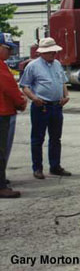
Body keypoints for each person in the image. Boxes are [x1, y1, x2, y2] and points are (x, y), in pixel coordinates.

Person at [19, 37, 71, 179]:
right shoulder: (33, 66)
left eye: (53, 51)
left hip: (56, 106)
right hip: (41, 107)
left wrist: (66, 95)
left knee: (55, 138)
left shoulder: (57, 65)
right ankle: (37, 168)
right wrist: (34, 98)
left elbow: (63, 82)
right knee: (38, 138)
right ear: (41, 53)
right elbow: (25, 86)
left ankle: (55, 166)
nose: (52, 54)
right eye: (49, 52)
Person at [0, 33, 27, 198]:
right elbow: (10, 88)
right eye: (8, 49)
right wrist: (20, 102)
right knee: (1, 151)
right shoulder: (1, 67)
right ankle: (1, 186)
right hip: (2, 112)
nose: (10, 53)